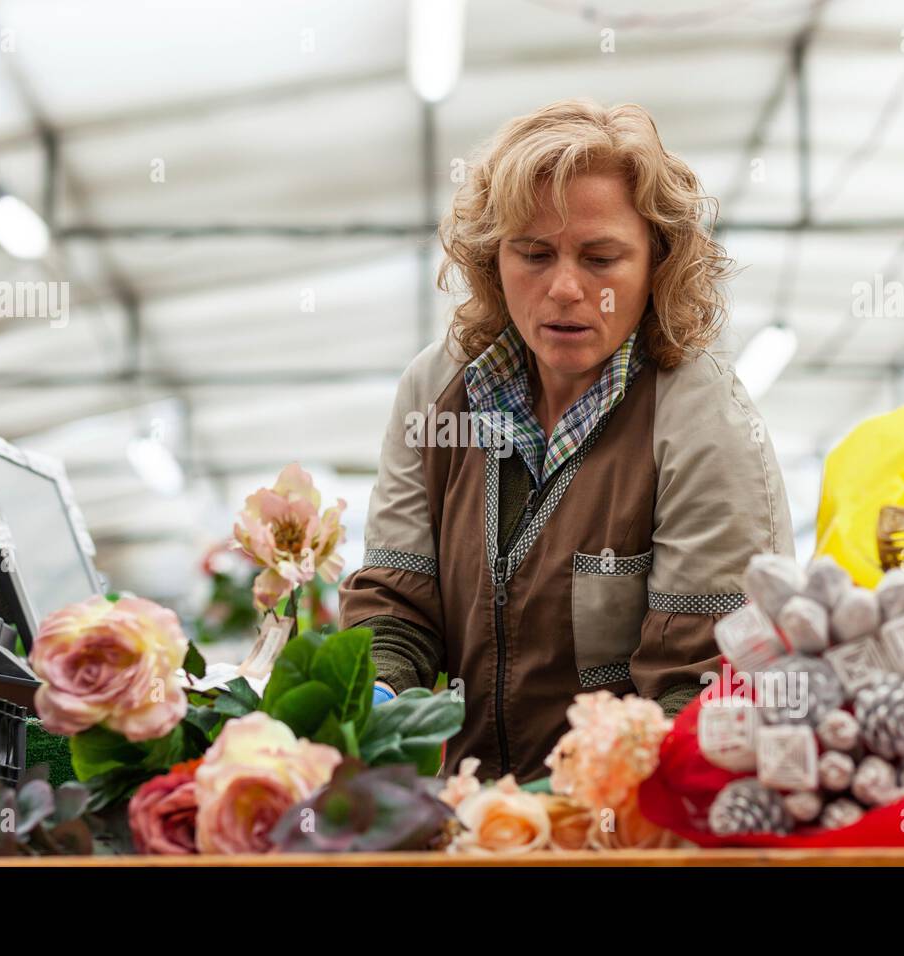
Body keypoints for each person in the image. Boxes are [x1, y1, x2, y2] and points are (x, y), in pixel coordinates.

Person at [339, 99, 793, 783]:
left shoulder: (700, 420)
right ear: (493, 258)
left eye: (602, 257)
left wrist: (578, 803)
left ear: (658, 264)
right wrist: (378, 698)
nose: (565, 288)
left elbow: (707, 677)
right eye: (533, 253)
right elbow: (397, 604)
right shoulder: (436, 392)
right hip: (470, 822)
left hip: (626, 829)